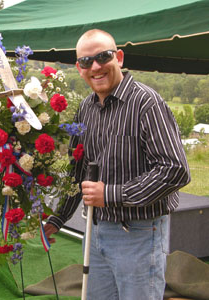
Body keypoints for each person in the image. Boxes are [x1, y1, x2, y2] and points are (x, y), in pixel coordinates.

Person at [44, 29, 190, 300]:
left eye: (103, 57)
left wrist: (110, 194)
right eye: (87, 62)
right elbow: (78, 170)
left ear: (119, 57)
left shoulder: (147, 103)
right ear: (79, 68)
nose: (96, 67)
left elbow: (175, 170)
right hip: (96, 231)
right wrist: (58, 217)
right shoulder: (86, 108)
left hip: (139, 233)